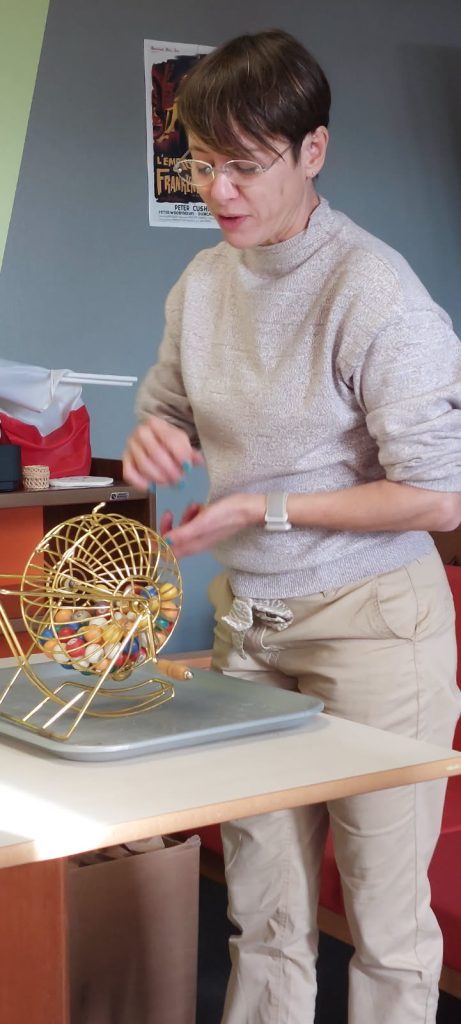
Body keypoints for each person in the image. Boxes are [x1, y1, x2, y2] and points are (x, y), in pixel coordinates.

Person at [123, 28, 461, 1024]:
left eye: (244, 165)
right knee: (262, 912)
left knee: (384, 923)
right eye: (201, 164)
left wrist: (261, 506)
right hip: (251, 629)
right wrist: (155, 434)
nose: (218, 190)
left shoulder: (374, 291)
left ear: (312, 150)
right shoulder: (201, 285)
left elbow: (438, 496)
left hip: (374, 628)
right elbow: (169, 403)